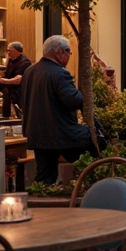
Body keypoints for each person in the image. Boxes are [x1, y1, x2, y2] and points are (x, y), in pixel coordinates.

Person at [21, 35, 92, 184]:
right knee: (94, 149)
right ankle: (85, 188)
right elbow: (74, 101)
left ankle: (43, 204)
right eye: (69, 53)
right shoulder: (60, 73)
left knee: (44, 178)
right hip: (61, 134)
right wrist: (84, 93)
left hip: (37, 134)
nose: (69, 57)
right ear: (60, 52)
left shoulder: (29, 71)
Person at [0, 40, 32, 118]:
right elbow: (8, 75)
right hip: (8, 94)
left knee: (18, 116)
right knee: (6, 116)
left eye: (10, 51)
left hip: (17, 95)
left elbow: (18, 80)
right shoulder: (10, 61)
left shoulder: (25, 62)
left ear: (17, 51)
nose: (8, 53)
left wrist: (1, 80)